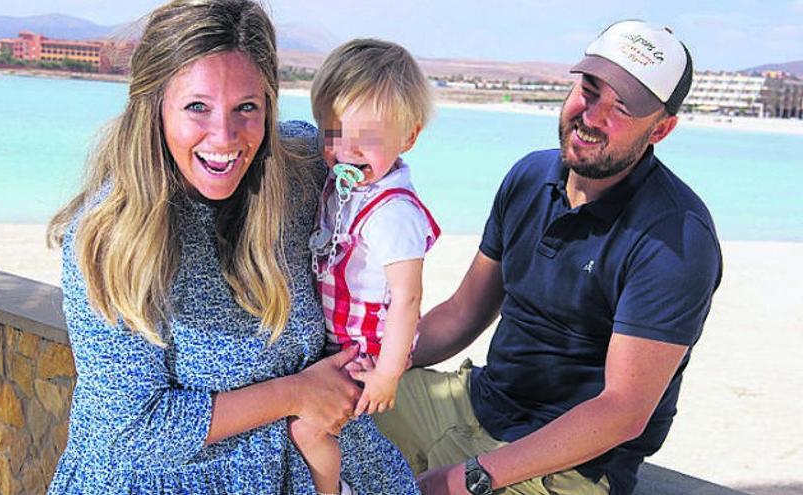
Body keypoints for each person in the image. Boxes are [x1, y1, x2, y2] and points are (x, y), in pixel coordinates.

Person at [44, 1, 418, 493]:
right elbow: (128, 429)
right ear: (153, 106)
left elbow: (390, 220)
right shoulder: (110, 235)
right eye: (197, 107)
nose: (224, 136)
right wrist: (294, 394)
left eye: (247, 107)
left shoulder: (304, 172)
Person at [374, 20, 723, 495]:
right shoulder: (530, 175)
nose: (592, 115)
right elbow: (463, 312)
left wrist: (470, 477)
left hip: (567, 466)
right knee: (318, 409)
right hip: (473, 403)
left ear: (661, 128)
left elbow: (623, 411)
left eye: (621, 107)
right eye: (590, 89)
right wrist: (375, 362)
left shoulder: (677, 236)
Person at [288, 39, 440, 494]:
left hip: (366, 352)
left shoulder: (392, 213)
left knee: (309, 429)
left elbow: (408, 297)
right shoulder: (350, 186)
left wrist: (387, 374)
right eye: (334, 133)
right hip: (340, 339)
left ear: (408, 137)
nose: (348, 150)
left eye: (367, 138)